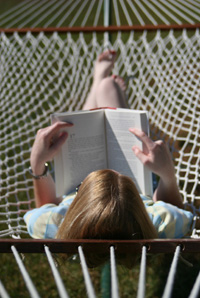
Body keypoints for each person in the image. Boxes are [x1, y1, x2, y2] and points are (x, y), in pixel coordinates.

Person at [24, 50, 198, 266]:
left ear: (79, 203)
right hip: (142, 184)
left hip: (73, 179)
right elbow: (177, 211)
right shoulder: (156, 224)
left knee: (88, 114)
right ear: (135, 202)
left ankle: (97, 83)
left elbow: (44, 206)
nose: (110, 168)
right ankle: (103, 85)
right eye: (122, 177)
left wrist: (37, 164)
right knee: (109, 87)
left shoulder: (58, 224)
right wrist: (167, 174)